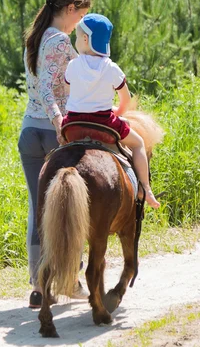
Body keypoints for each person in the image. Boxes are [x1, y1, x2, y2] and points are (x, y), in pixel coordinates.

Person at [19, 0, 91, 309]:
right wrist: (61, 122)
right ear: (71, 9)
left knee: (39, 209)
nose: (80, 24)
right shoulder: (60, 40)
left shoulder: (35, 36)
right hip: (52, 135)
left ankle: (38, 285)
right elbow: (49, 89)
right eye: (81, 16)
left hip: (28, 134)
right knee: (69, 207)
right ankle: (72, 279)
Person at [62, 13, 160, 209]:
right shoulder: (112, 68)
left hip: (72, 125)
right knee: (139, 143)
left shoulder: (72, 65)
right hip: (103, 124)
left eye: (77, 36)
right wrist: (116, 111)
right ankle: (145, 188)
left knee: (60, 150)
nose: (75, 39)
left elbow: (68, 94)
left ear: (85, 39)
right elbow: (126, 101)